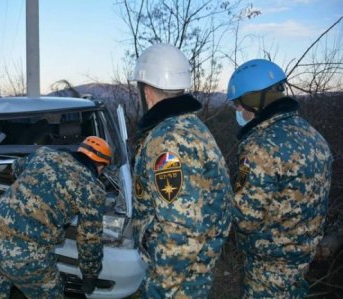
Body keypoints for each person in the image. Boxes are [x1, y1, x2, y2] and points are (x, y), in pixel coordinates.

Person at [129, 43, 233, 298]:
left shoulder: (168, 141)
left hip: (178, 282)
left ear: (147, 91)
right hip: (193, 271)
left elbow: (180, 230)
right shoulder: (192, 127)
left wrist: (158, 290)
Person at [227, 59, 333, 298]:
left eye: (237, 104)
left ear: (254, 101)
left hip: (268, 270)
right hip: (301, 264)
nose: (237, 111)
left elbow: (245, 218)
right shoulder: (314, 136)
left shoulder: (259, 147)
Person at [0, 136, 112, 299]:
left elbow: (16, 168)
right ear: (101, 165)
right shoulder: (92, 189)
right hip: (29, 256)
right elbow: (89, 239)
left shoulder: (45, 154)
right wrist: (90, 274)